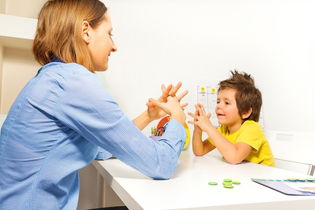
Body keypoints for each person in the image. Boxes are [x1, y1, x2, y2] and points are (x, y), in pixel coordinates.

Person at [0, 0, 188, 209]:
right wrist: (178, 119)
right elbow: (160, 164)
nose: (114, 46)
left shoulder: (54, 78)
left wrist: (148, 116)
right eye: (109, 34)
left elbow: (98, 148)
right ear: (85, 31)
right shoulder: (74, 82)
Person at [189, 71, 274, 167]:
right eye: (218, 101)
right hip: (243, 175)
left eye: (227, 103)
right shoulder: (223, 130)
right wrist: (198, 130)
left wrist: (209, 128)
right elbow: (199, 151)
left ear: (245, 112)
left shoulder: (252, 129)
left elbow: (234, 157)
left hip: (263, 178)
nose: (218, 106)